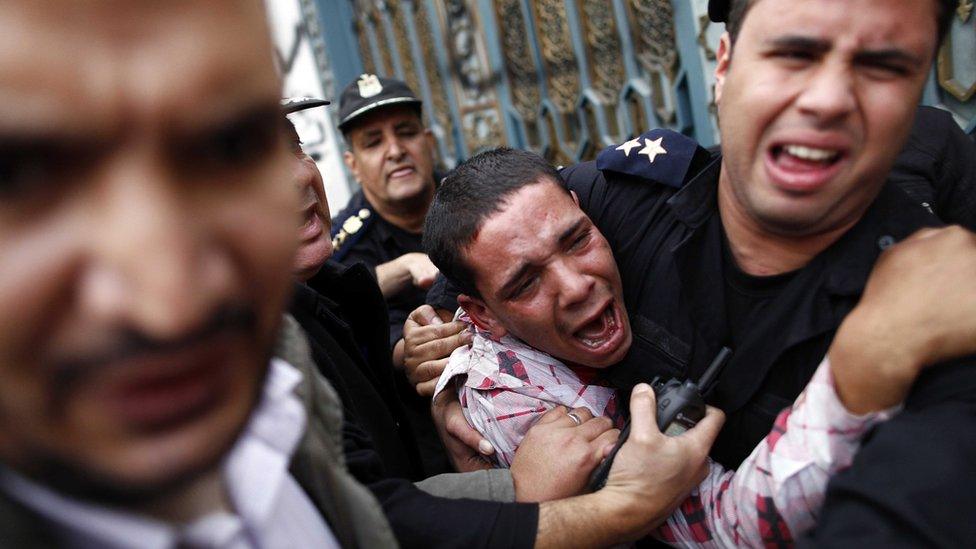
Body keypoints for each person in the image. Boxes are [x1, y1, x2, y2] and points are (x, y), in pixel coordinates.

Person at [410, 0, 976, 544]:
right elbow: (492, 226)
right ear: (724, 66)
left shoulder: (938, 298)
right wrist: (445, 349)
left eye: (884, 66)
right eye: (791, 54)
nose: (827, 99)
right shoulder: (627, 206)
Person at [325, 74, 451, 474]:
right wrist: (410, 348)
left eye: (406, 133)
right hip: (426, 430)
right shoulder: (343, 245)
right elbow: (339, 309)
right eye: (373, 142)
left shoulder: (474, 194)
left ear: (429, 142)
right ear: (354, 166)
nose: (395, 151)